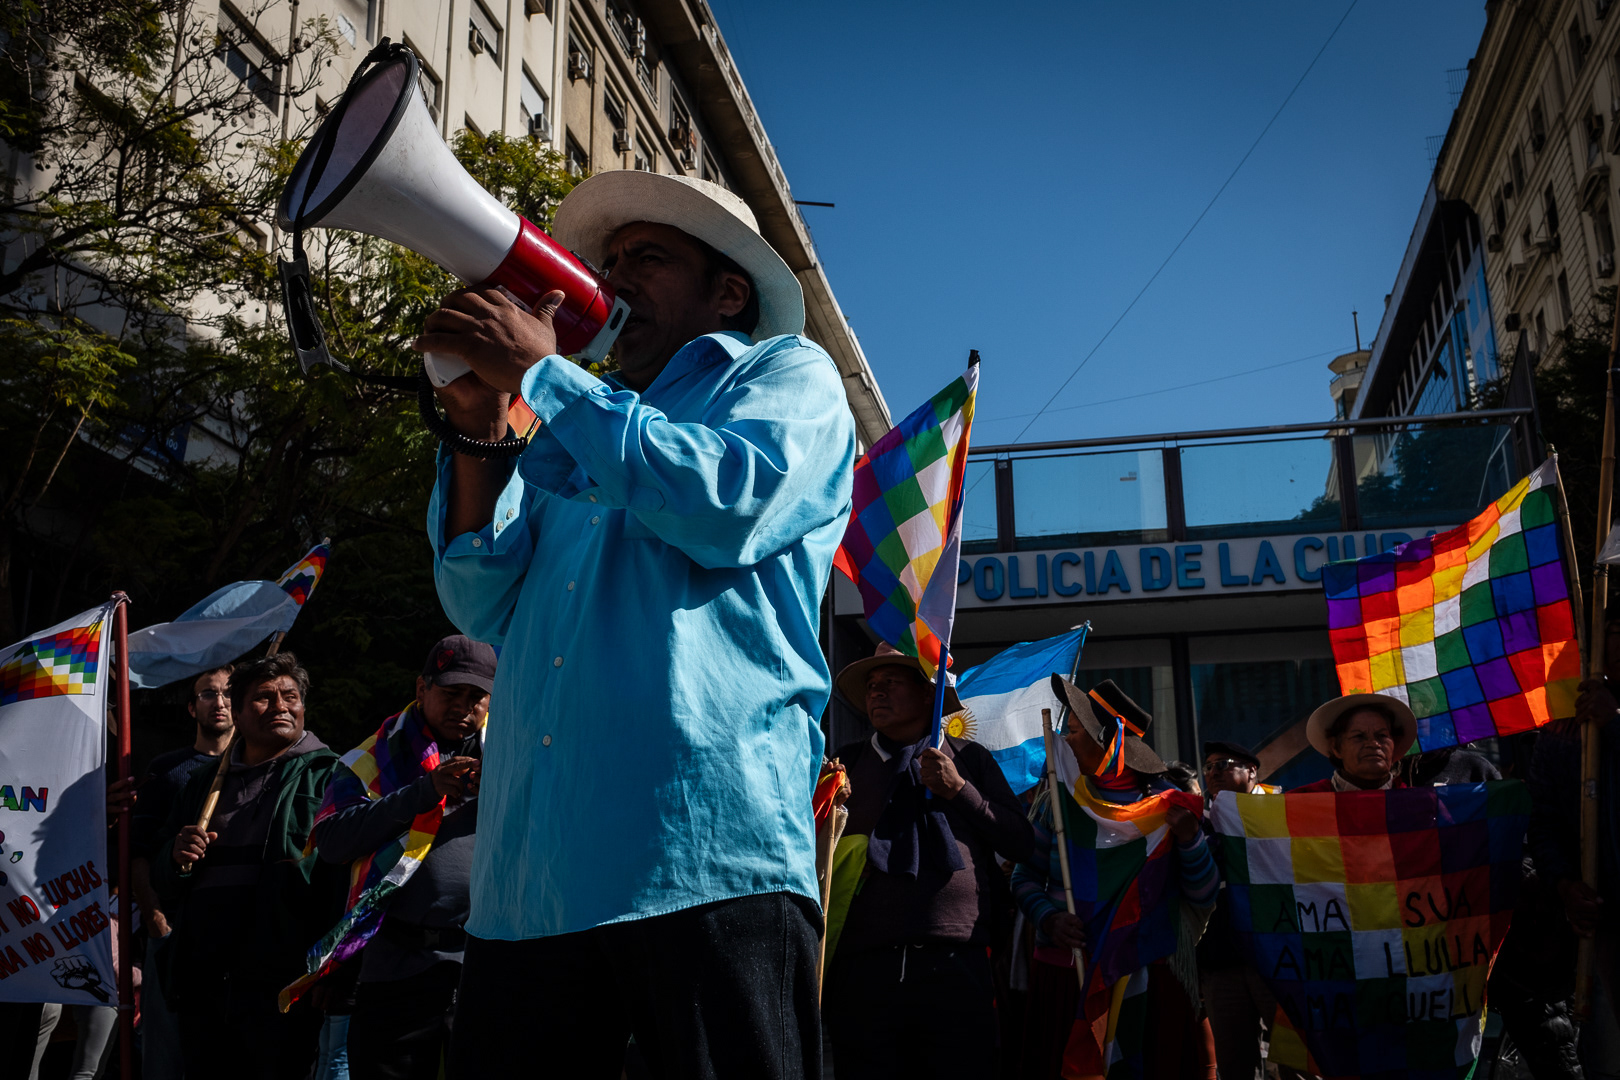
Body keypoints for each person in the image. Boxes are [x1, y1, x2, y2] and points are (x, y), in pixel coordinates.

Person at [416, 171, 855, 1078]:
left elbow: (727, 500)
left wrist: (543, 373)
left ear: (727, 291)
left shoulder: (787, 375)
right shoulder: (574, 418)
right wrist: (480, 430)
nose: (611, 280)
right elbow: (477, 597)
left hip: (703, 858)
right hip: (529, 883)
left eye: (646, 258)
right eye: (607, 261)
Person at [820, 644, 1032, 1078]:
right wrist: (827, 809)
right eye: (872, 687)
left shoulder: (967, 759)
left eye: (891, 683)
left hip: (954, 964)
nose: (876, 694)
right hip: (863, 969)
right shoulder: (846, 766)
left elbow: (1022, 842)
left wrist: (961, 791)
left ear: (927, 695)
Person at [1011, 678, 1218, 1080]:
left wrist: (1191, 840)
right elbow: (1024, 875)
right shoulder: (1057, 798)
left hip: (1149, 971)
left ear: (1109, 744)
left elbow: (1204, 893)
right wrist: (1049, 918)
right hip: (1068, 969)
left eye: (1072, 731)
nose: (1065, 741)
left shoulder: (1170, 807)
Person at [154, 653, 346, 1080]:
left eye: (290, 696)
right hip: (203, 982)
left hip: (283, 985)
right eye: (263, 697)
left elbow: (345, 881)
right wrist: (174, 856)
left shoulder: (331, 776)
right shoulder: (202, 785)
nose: (281, 706)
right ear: (237, 713)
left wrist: (336, 969)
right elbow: (163, 880)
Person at [311, 636, 494, 1080]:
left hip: (484, 968)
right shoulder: (370, 758)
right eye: (451, 693)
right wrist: (425, 791)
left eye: (477, 698)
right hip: (395, 968)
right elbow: (332, 841)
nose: (464, 708)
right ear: (421, 689)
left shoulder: (509, 754)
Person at [132, 664, 235, 1080]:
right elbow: (138, 852)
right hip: (173, 936)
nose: (221, 701)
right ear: (192, 708)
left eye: (229, 692)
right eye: (209, 694)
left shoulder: (261, 769)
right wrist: (157, 924)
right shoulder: (167, 768)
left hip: (233, 939)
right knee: (166, 1055)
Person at [1194, 739, 1280, 1080]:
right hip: (1221, 964)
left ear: (1252, 772)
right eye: (1209, 767)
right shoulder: (1197, 824)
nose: (1214, 772)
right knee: (1234, 1064)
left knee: (1299, 1061)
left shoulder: (1282, 811)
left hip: (1277, 960)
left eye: (1224, 764)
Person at [1289, 693, 1414, 793]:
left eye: (1382, 735)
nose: (1373, 744)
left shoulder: (1418, 805)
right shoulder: (1301, 804)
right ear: (1336, 748)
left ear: (1395, 744)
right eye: (1359, 736)